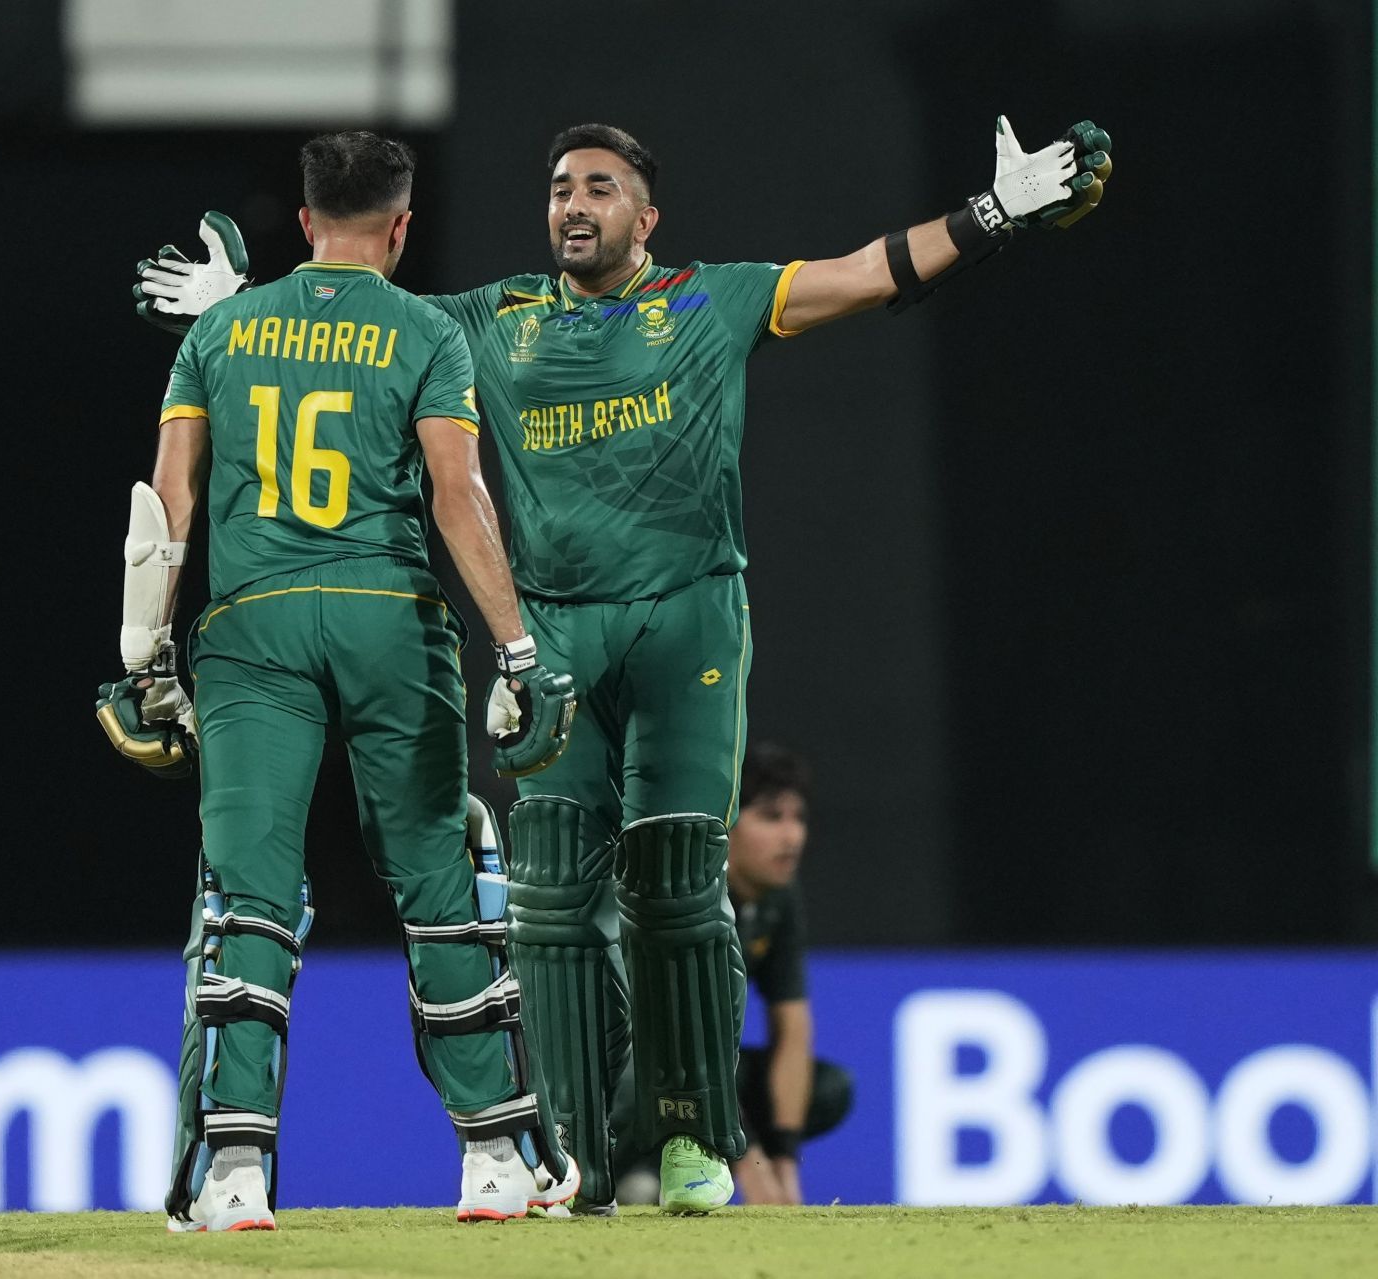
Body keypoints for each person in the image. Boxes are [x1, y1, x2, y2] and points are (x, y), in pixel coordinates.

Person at [134, 114, 1113, 1216]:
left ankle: (695, 1137)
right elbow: (350, 325)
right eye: (558, 187)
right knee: (547, 900)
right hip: (553, 629)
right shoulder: (486, 324)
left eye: (600, 187)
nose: (573, 203)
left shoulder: (713, 298)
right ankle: (570, 1155)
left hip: (686, 621)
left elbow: (862, 275)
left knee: (676, 888)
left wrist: (990, 216)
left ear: (646, 217)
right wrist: (241, 303)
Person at [96, 131, 582, 1232]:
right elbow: (459, 496)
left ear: (306, 221)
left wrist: (141, 659)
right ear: (401, 228)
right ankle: (498, 1159)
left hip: (251, 628)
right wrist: (517, 650)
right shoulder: (424, 332)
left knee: (248, 891)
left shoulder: (217, 334)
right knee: (438, 884)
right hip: (387, 619)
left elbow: (164, 505)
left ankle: (232, 1178)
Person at [723, 742, 853, 1205]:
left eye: (798, 818)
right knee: (673, 1075)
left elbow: (792, 1030)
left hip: (706, 1074)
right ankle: (632, 1173)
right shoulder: (689, 895)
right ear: (727, 824)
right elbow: (677, 1048)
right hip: (630, 1076)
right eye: (771, 817)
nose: (792, 836)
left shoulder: (778, 898)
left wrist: (785, 1163)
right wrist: (752, 1168)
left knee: (831, 1090)